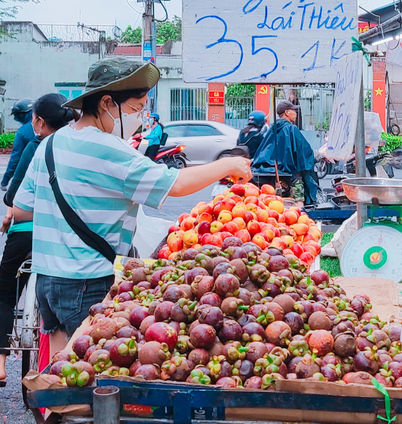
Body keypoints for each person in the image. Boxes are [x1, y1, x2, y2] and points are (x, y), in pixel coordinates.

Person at [12, 58, 252, 358]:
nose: (141, 116)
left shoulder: (50, 143)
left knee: (61, 376)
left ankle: (50, 408)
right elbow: (173, 185)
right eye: (137, 108)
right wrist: (226, 164)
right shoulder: (109, 149)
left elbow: (21, 209)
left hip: (47, 279)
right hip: (87, 280)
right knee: (90, 374)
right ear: (107, 103)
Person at [0, 94, 77, 381]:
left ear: (39, 122)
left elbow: (13, 195)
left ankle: (0, 363)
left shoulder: (36, 145)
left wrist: (11, 210)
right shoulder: (75, 146)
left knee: (5, 291)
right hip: (60, 235)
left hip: (24, 233)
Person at [252, 101, 319, 205]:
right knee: (298, 190)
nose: (296, 113)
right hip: (291, 175)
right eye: (294, 111)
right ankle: (299, 207)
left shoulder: (272, 129)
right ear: (287, 112)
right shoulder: (292, 129)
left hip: (273, 172)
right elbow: (304, 151)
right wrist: (316, 156)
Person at [1, 99, 35, 191]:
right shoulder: (50, 125)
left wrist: (5, 180)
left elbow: (15, 158)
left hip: (29, 174)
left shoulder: (23, 132)